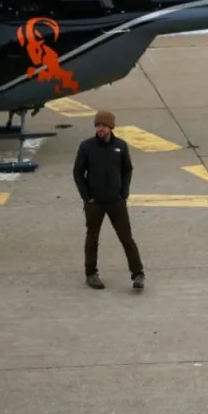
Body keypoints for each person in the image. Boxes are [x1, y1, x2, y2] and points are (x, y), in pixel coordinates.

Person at [72, 109, 145, 290]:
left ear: (111, 127)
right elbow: (78, 173)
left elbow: (127, 169)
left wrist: (124, 193)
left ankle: (138, 274)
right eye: (98, 125)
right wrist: (87, 197)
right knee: (92, 238)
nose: (100, 129)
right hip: (94, 202)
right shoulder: (86, 147)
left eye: (104, 125)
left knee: (127, 238)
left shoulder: (120, 146)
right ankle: (91, 273)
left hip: (116, 201)